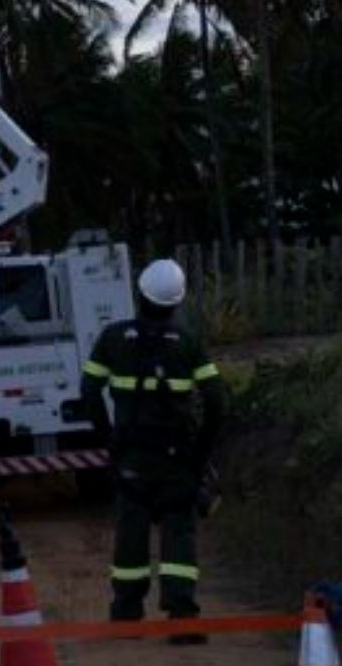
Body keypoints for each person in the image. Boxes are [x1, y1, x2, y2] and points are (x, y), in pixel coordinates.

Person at [77, 259, 230, 645]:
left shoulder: (112, 339)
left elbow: (89, 392)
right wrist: (202, 451)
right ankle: (181, 617)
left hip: (131, 457)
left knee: (131, 532)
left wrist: (107, 438)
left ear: (139, 293)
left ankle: (127, 616)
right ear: (176, 303)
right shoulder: (189, 344)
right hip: (177, 457)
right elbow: (216, 401)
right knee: (179, 532)